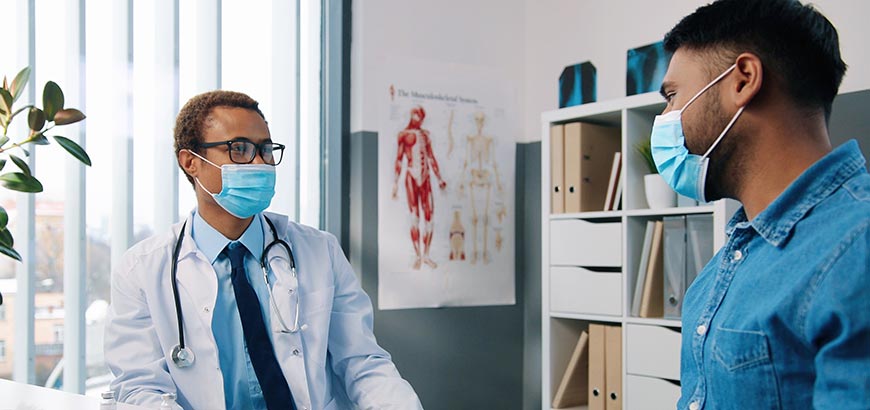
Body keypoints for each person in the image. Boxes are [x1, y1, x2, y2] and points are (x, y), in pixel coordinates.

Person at [105, 90, 422, 410]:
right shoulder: (142, 269)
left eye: (266, 149)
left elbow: (362, 362)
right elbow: (140, 387)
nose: (260, 163)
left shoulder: (319, 251)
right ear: (191, 162)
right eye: (239, 149)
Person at [652, 0, 869, 409]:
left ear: (743, 80)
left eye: (673, 95)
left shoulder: (858, 247)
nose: (666, 116)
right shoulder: (732, 257)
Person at [391, 105, 447, 270]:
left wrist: (439, 179)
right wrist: (395, 183)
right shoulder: (404, 135)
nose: (419, 120)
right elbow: (399, 159)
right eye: (417, 116)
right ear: (412, 115)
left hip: (426, 179)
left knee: (429, 217)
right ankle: (417, 255)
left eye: (421, 117)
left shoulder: (426, 135)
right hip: (411, 178)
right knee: (414, 216)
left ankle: (427, 255)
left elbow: (431, 157)